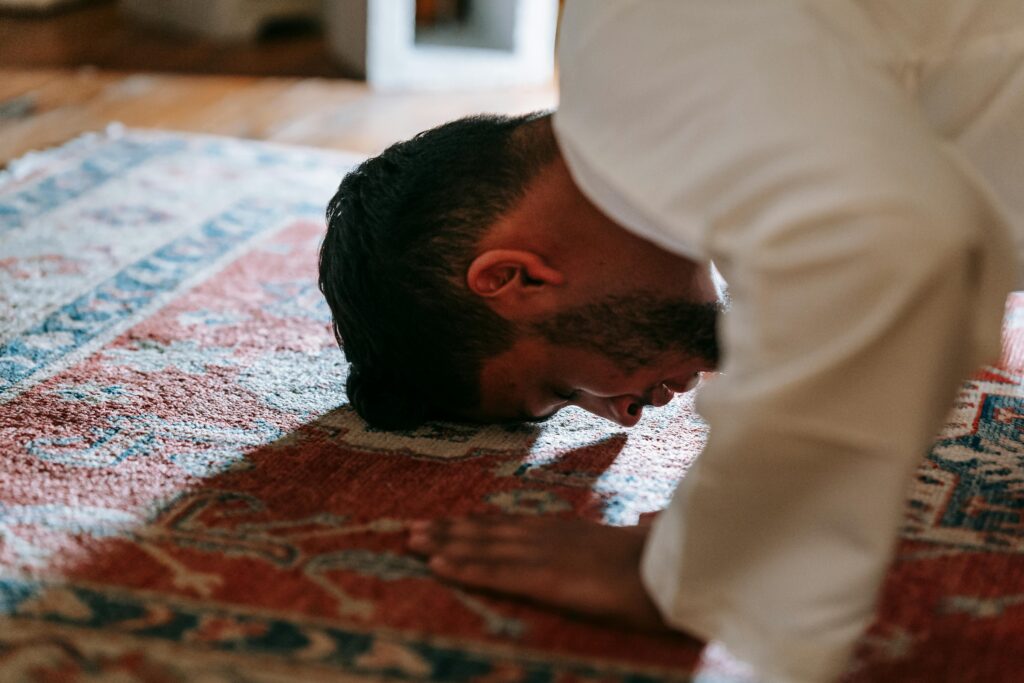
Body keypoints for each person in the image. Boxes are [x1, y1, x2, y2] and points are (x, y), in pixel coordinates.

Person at [319, 2, 1024, 681]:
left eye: (563, 386)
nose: (623, 415)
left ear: (517, 277)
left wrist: (691, 565)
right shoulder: (649, 78)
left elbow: (889, 261)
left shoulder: (659, 60)